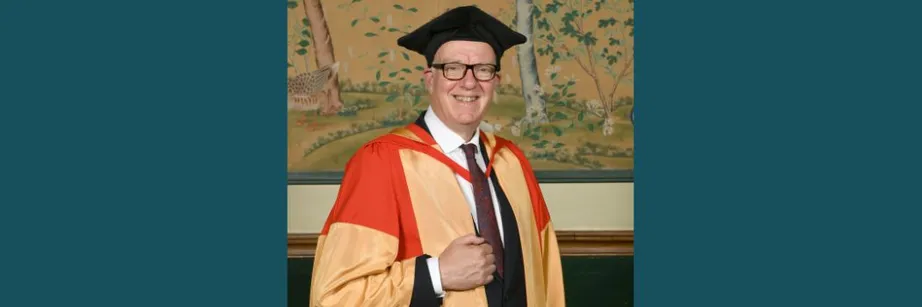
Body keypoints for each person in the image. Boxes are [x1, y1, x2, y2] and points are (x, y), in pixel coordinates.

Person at [309, 5, 565, 306]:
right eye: (453, 68)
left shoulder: (511, 162)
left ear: (496, 81)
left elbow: (546, 280)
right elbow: (334, 297)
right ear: (430, 78)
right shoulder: (382, 163)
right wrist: (436, 274)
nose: (469, 83)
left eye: (483, 69)